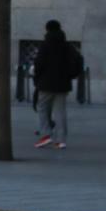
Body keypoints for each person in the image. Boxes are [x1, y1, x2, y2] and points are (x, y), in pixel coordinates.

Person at [33, 20, 80, 149]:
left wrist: (37, 79)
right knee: (60, 111)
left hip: (46, 83)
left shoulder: (45, 45)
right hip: (63, 83)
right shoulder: (67, 46)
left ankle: (46, 134)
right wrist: (71, 75)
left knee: (42, 108)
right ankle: (61, 140)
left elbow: (39, 63)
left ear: (47, 29)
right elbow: (78, 60)